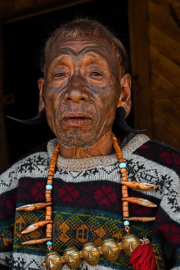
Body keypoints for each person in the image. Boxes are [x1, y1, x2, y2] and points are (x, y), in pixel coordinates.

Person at [0, 18, 179, 270]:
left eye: (95, 73)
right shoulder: (12, 184)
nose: (75, 90)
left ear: (123, 93)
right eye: (60, 73)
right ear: (42, 95)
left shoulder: (170, 178)